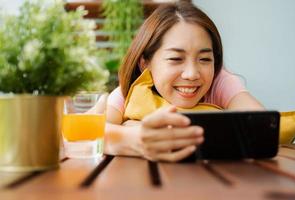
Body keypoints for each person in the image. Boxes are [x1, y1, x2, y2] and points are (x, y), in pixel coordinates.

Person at [97, 1, 264, 162]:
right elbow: (91, 133)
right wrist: (134, 137)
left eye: (205, 59)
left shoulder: (220, 82)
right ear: (145, 63)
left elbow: (261, 125)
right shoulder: (129, 92)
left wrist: (131, 125)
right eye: (176, 58)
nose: (192, 74)